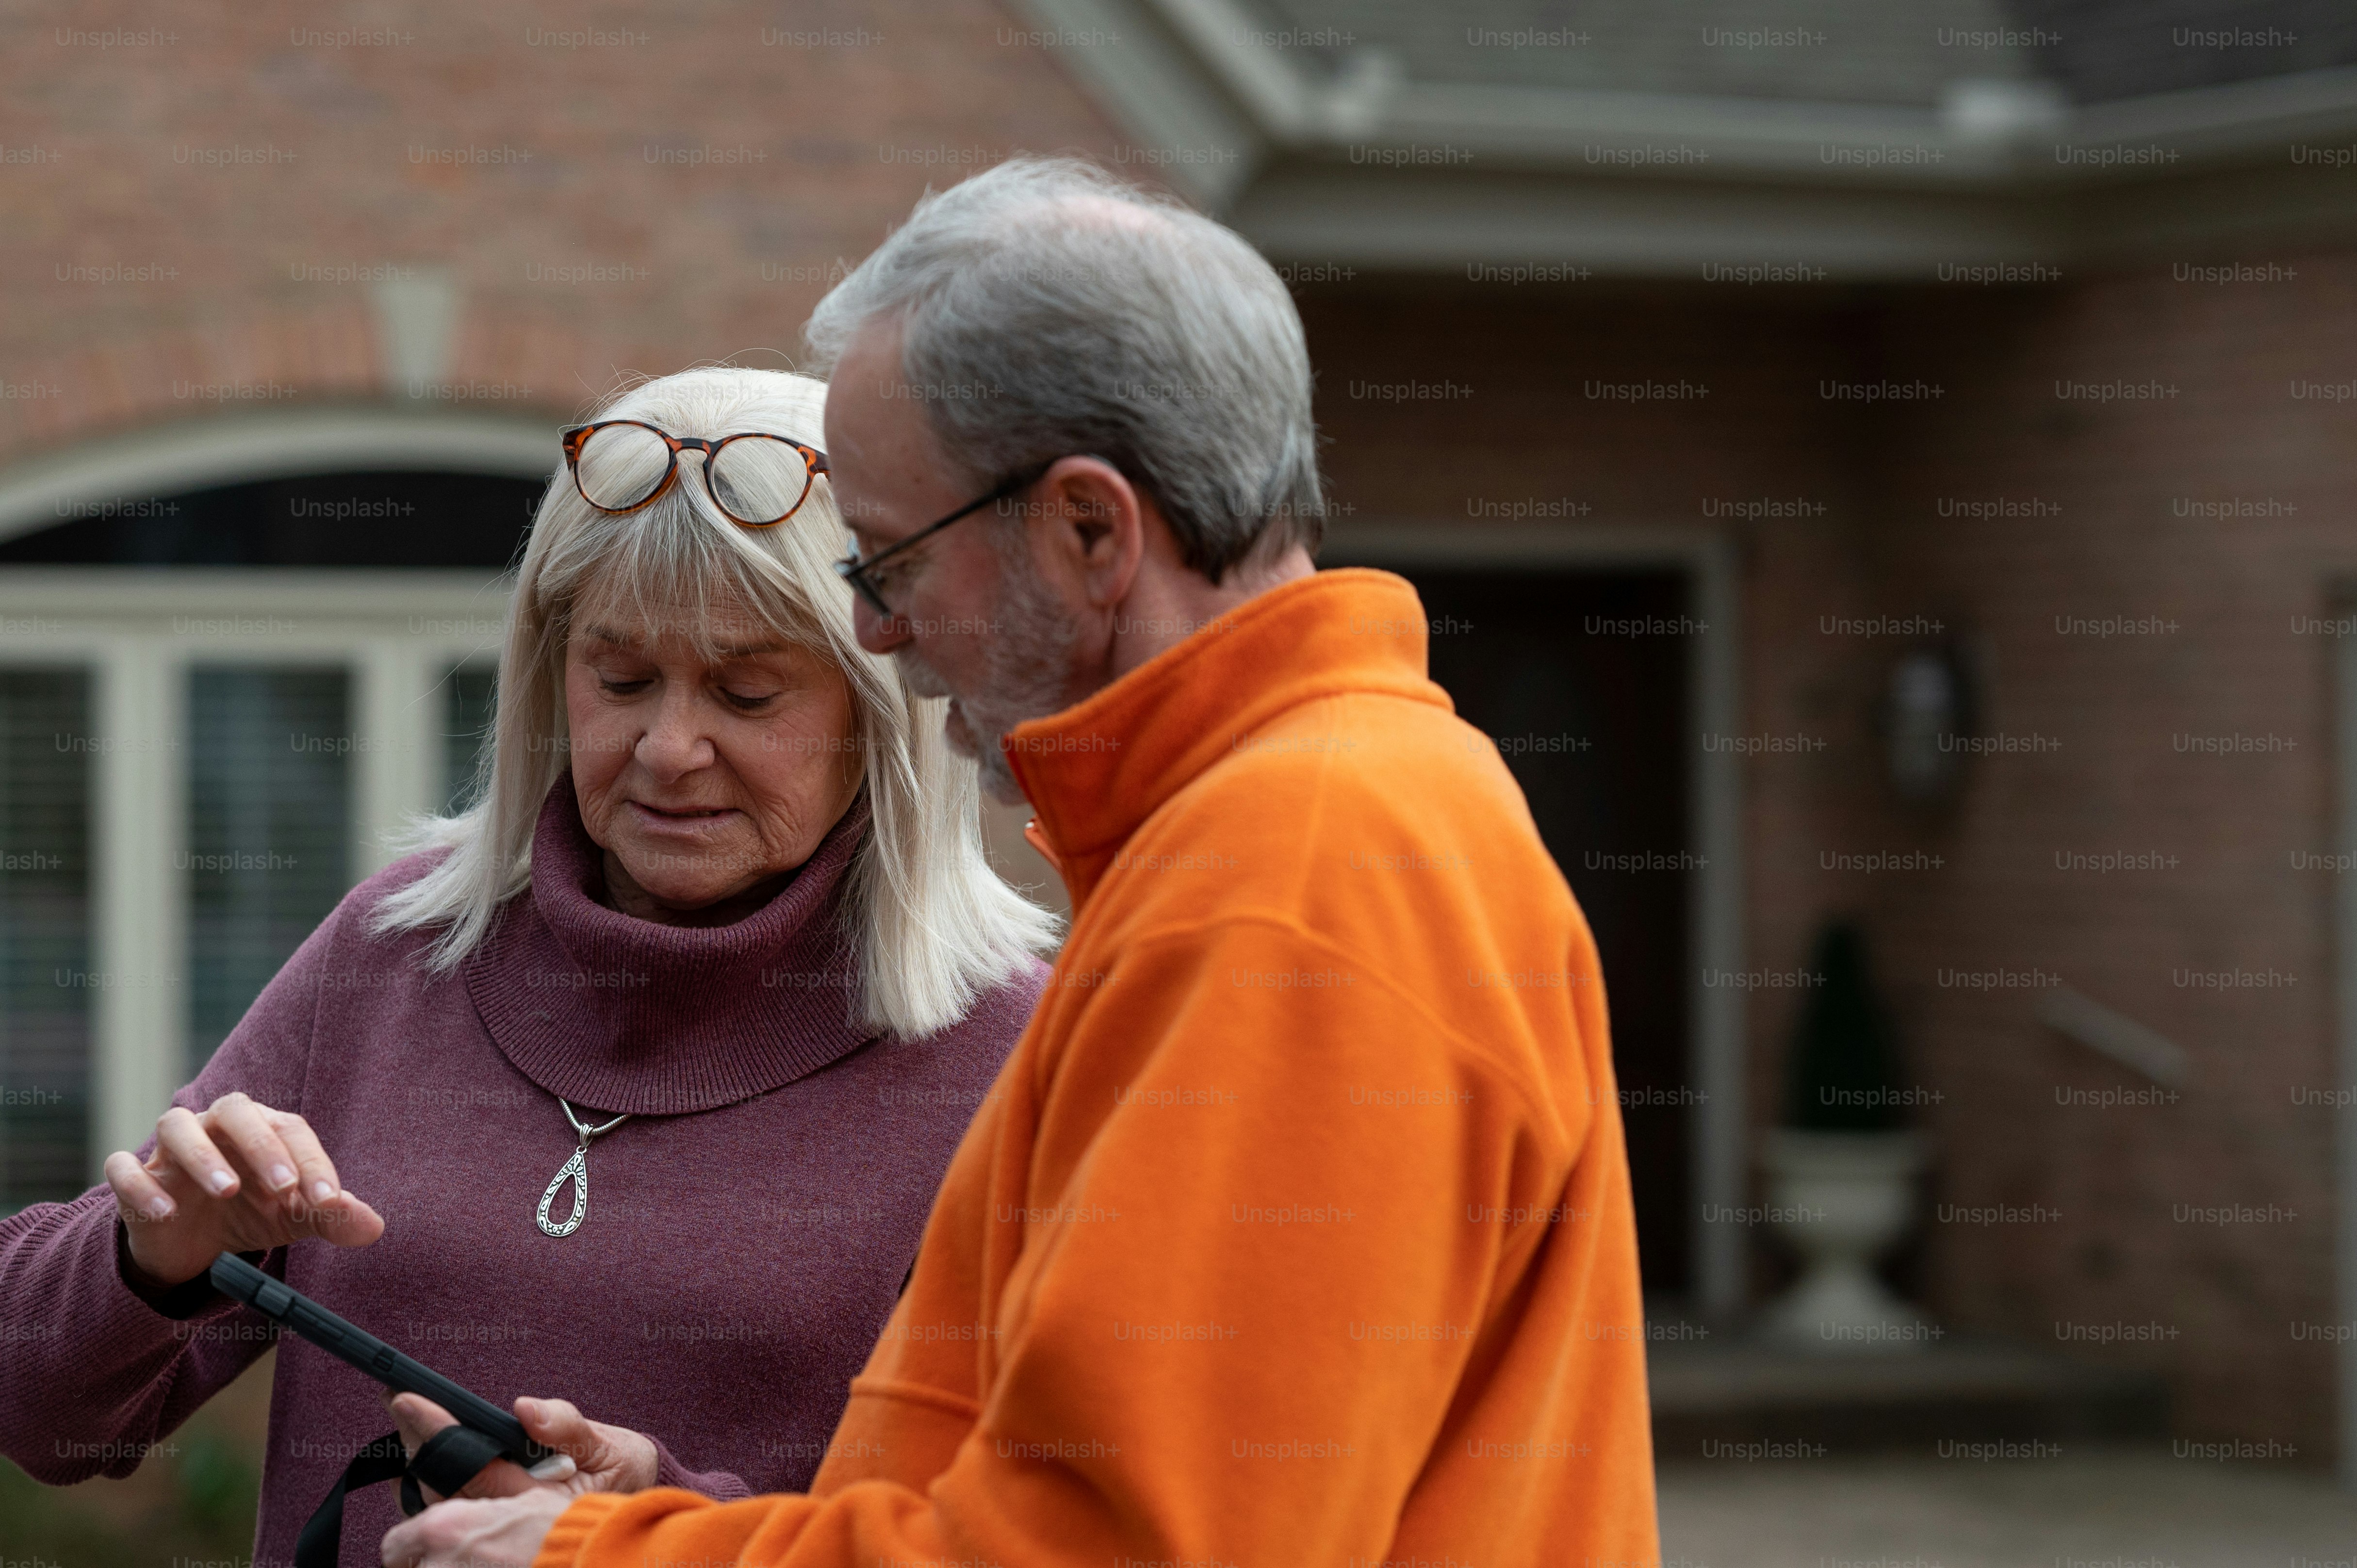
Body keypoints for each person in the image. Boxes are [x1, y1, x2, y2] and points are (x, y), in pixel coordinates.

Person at [386, 159, 1660, 1568]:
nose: (874, 634)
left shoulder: (1287, 884)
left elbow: (1118, 1547)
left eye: (885, 563)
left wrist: (608, 1560)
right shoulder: (1304, 820)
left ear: (1090, 531)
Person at [0, 366, 1056, 1568]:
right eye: (618, 678)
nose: (666, 747)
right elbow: (46, 1415)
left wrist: (651, 1524)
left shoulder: (1010, 1056)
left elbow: (1022, 1532)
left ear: (880, 708)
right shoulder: (399, 947)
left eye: (746, 689)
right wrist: (149, 1255)